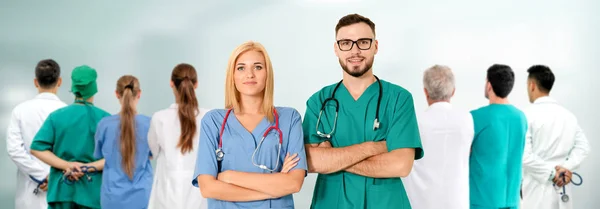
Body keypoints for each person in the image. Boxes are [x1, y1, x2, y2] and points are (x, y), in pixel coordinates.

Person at [302, 13, 424, 209]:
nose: (355, 50)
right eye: (346, 43)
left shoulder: (399, 99)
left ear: (376, 46)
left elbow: (401, 165)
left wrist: (333, 157)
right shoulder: (319, 101)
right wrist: (373, 148)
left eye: (363, 42)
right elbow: (311, 161)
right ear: (336, 49)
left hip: (385, 203)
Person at [192, 41, 307, 209]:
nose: (250, 74)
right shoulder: (213, 121)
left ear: (268, 74)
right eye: (241, 68)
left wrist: (229, 176)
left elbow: (293, 184)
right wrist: (274, 188)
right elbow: (208, 187)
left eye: (258, 67)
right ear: (232, 75)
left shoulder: (289, 119)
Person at [30, 65, 110, 209]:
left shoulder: (57, 117)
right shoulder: (105, 120)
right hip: (92, 194)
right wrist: (86, 168)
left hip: (62, 191)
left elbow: (37, 149)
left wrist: (68, 165)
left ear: (73, 87)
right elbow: (115, 157)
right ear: (94, 87)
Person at [402, 65, 473, 209]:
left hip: (421, 203)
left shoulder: (415, 122)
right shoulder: (466, 119)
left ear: (425, 92)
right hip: (457, 203)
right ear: (453, 91)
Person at [521, 65, 591, 209]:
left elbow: (524, 155)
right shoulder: (568, 116)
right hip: (563, 186)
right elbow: (583, 147)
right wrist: (565, 168)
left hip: (537, 193)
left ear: (532, 85)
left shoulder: (527, 116)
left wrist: (553, 173)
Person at [6, 59, 67, 209]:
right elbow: (72, 153)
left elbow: (14, 150)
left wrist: (40, 176)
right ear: (59, 81)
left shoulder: (20, 110)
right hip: (60, 190)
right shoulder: (68, 112)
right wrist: (51, 176)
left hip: (28, 195)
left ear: (35, 82)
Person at [147, 63, 210, 209]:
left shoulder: (159, 118)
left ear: (171, 83)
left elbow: (153, 152)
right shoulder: (208, 116)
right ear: (196, 84)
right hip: (199, 191)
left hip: (167, 190)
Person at [469, 64, 527, 209]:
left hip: (483, 201)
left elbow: (463, 152)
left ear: (489, 85)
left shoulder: (475, 117)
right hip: (512, 200)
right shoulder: (520, 117)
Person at [94, 75, 153, 209]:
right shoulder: (149, 124)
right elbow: (151, 153)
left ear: (116, 94)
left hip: (112, 197)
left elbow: (99, 156)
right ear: (139, 94)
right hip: (142, 196)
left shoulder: (104, 124)